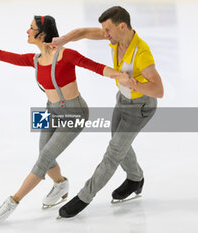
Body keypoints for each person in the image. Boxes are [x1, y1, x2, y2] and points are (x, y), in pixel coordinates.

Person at [0, 15, 130, 224]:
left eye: (31, 28)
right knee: (43, 152)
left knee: (44, 157)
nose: (27, 31)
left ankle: (13, 201)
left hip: (75, 112)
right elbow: (1, 55)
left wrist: (119, 75)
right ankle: (61, 184)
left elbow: (95, 67)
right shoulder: (34, 60)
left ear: (42, 34)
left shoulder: (67, 54)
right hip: (49, 110)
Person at [45, 6, 164, 218]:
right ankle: (135, 178)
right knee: (118, 143)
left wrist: (136, 86)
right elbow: (82, 33)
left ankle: (83, 197)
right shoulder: (116, 38)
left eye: (107, 30)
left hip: (140, 107)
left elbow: (158, 90)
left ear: (122, 26)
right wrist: (63, 40)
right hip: (122, 100)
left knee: (113, 153)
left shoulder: (142, 54)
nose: (104, 34)